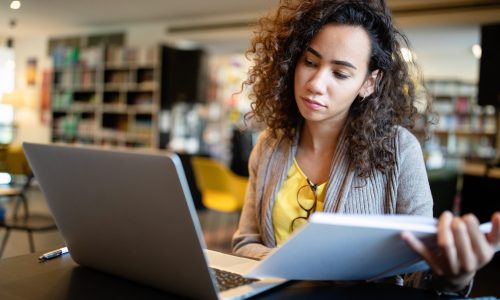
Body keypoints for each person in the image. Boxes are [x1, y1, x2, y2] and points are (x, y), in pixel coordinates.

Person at [232, 0, 500, 296]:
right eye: (310, 62)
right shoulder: (270, 146)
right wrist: (298, 269)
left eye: (340, 73)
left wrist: (455, 278)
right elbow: (245, 242)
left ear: (368, 83)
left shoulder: (399, 150)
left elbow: (417, 270)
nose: (316, 84)